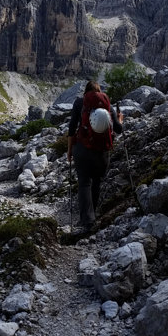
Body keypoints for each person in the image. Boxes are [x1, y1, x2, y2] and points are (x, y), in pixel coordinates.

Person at [66, 79, 120, 227]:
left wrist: (70, 150)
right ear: (99, 92)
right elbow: (118, 128)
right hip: (102, 152)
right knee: (96, 182)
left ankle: (87, 221)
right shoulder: (107, 104)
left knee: (84, 183)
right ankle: (93, 216)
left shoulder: (79, 103)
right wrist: (120, 119)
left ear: (86, 92)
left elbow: (72, 129)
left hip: (83, 151)